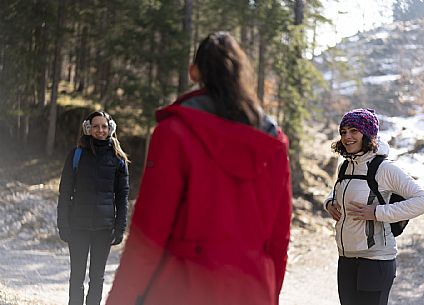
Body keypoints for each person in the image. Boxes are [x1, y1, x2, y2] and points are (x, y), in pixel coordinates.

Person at [106, 31, 292, 305]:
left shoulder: (174, 133)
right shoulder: (273, 143)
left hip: (183, 290)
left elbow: (149, 233)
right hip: (251, 291)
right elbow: (279, 240)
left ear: (194, 72)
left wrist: (119, 300)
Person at [324, 108, 424, 305]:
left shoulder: (384, 168)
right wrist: (329, 202)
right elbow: (340, 190)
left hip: (376, 260)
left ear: (368, 134)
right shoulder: (346, 166)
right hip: (346, 257)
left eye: (353, 131)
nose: (347, 136)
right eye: (343, 132)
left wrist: (377, 212)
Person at [57, 111, 130, 305]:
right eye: (96, 126)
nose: (100, 130)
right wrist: (63, 224)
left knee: (97, 278)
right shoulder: (76, 155)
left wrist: (120, 227)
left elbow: (122, 197)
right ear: (88, 129)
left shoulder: (118, 159)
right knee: (77, 276)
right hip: (78, 226)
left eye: (104, 126)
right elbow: (64, 193)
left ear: (110, 129)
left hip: (104, 229)